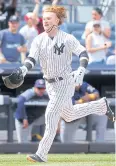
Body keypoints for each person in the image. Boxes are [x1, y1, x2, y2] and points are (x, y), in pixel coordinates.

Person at [2, 6, 115, 163]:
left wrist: (81, 69)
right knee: (69, 114)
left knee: (50, 114)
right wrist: (23, 69)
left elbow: (83, 53)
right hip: (50, 83)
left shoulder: (68, 38)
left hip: (65, 82)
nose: (46, 20)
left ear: (58, 20)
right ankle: (101, 106)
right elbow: (31, 59)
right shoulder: (39, 39)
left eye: (49, 18)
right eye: (45, 18)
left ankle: (41, 153)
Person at [15, 79, 48, 143]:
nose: (41, 90)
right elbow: (20, 102)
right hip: (23, 119)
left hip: (36, 118)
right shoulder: (29, 93)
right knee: (23, 143)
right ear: (35, 87)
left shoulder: (47, 93)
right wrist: (24, 118)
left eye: (43, 88)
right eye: (39, 88)